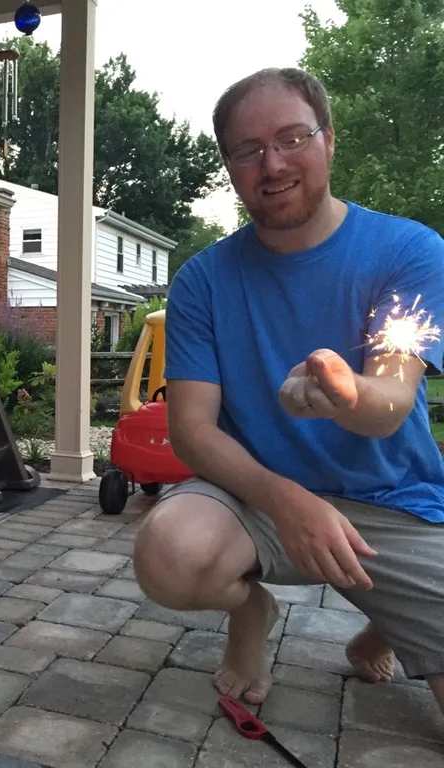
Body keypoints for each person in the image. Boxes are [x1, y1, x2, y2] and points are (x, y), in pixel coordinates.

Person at [132, 66, 444, 715]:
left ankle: (383, 626)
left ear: (330, 140)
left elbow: (389, 401)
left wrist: (345, 393)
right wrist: (285, 500)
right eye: (248, 151)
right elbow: (192, 429)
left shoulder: (411, 251)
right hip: (259, 505)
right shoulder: (202, 281)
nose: (272, 164)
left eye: (293, 138)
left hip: (396, 506)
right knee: (169, 552)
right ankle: (252, 612)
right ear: (229, 167)